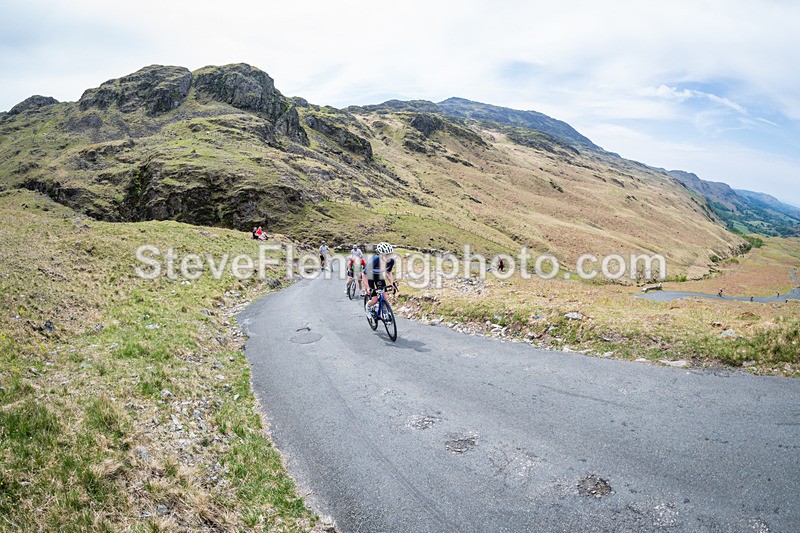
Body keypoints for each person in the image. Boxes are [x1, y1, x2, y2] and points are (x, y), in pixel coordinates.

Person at [364, 242, 398, 316]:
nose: (388, 257)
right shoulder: (374, 261)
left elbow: (388, 273)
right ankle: (368, 307)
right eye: (386, 255)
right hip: (369, 276)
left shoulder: (391, 261)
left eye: (390, 254)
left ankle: (385, 313)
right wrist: (367, 287)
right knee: (374, 299)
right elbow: (364, 274)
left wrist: (392, 283)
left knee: (385, 297)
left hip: (378, 276)